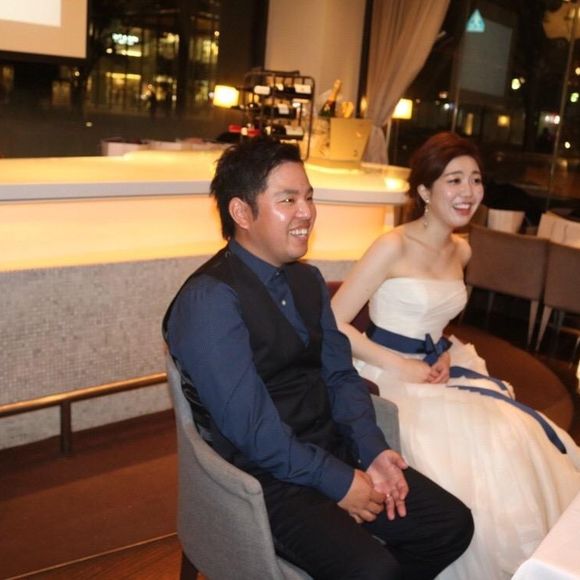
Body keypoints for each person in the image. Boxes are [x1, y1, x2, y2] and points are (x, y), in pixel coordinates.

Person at [163, 136, 474, 579]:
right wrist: (339, 482)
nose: (307, 212)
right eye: (288, 200)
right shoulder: (210, 300)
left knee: (450, 525)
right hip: (263, 479)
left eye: (308, 197)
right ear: (242, 213)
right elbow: (251, 430)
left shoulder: (307, 281)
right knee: (375, 571)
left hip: (329, 447)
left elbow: (341, 376)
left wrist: (372, 450)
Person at [331, 131, 580, 580]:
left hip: (438, 368)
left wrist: (443, 351)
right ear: (425, 191)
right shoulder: (392, 245)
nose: (468, 191)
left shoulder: (461, 249)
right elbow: (332, 322)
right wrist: (401, 364)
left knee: (520, 431)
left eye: (476, 179)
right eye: (454, 180)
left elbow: (435, 322)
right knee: (483, 447)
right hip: (384, 373)